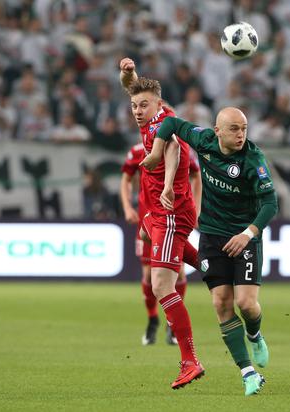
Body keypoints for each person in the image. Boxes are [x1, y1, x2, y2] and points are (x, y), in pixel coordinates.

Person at [141, 107, 278, 396]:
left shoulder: (253, 160)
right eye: (233, 129)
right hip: (212, 236)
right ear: (217, 131)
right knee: (221, 303)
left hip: (244, 237)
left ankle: (254, 333)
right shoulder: (203, 140)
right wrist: (155, 153)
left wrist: (248, 233)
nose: (240, 135)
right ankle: (247, 372)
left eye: (243, 128)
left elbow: (270, 204)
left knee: (247, 304)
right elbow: (171, 124)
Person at [118, 57, 204, 389]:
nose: (137, 110)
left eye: (143, 106)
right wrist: (129, 75)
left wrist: (167, 184)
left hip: (170, 211)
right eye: (134, 106)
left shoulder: (165, 122)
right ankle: (216, 267)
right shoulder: (150, 113)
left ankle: (189, 361)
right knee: (147, 233)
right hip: (155, 213)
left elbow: (174, 153)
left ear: (159, 104)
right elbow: (135, 90)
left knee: (161, 286)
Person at [120, 142, 201, 346]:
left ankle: (172, 324)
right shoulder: (138, 150)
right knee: (148, 274)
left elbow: (196, 175)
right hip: (147, 220)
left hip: (173, 218)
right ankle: (152, 318)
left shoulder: (181, 149)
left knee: (179, 272)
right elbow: (126, 179)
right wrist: (127, 207)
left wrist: (197, 209)